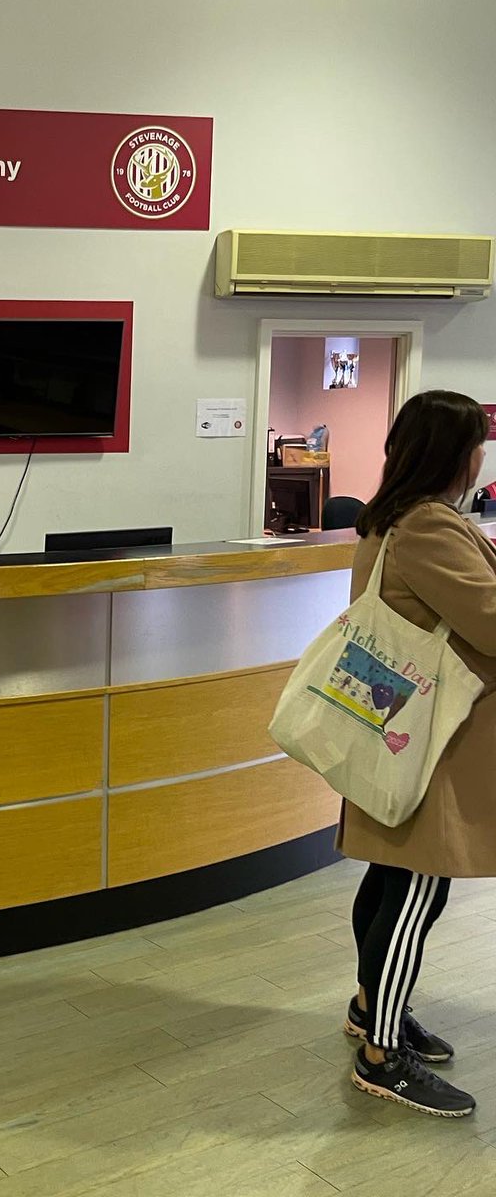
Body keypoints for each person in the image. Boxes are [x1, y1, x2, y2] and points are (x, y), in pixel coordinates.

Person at [340, 389, 496, 1118]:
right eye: (478, 445)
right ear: (457, 455)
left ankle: (373, 1005)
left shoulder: (389, 516)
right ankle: (380, 1052)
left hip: (402, 727)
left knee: (390, 874)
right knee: (417, 888)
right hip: (435, 739)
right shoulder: (429, 526)